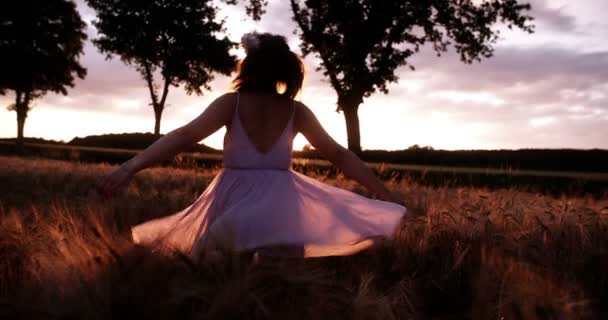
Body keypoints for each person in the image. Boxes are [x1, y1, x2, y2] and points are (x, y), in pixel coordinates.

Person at [97, 32, 406, 259]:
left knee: (218, 265)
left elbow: (183, 136)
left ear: (248, 66)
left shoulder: (231, 103)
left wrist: (131, 166)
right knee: (282, 280)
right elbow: (339, 155)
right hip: (284, 203)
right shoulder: (296, 111)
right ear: (286, 70)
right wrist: (383, 193)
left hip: (232, 195)